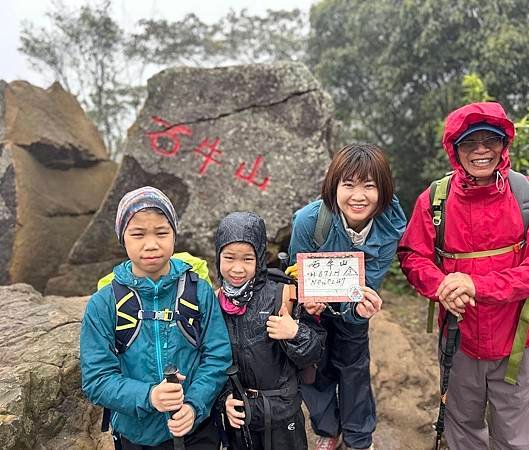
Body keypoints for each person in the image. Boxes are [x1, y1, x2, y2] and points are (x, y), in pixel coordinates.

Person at [397, 102, 529, 449]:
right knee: (462, 431)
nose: (480, 151)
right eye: (468, 142)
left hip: (520, 339)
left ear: (503, 145)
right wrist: (441, 284)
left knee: (517, 440)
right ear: (454, 149)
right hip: (460, 341)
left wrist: (476, 284)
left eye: (489, 140)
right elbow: (413, 255)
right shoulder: (434, 201)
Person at [80, 186, 232, 449]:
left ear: (174, 234)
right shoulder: (103, 303)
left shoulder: (199, 291)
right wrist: (149, 396)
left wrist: (194, 405)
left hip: (197, 431)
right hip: (135, 436)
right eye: (137, 234)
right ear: (122, 238)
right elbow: (96, 379)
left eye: (161, 232)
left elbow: (218, 356)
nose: (151, 244)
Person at [288, 143, 407, 450]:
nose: (358, 196)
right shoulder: (309, 221)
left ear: (383, 190)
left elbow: (372, 281)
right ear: (334, 186)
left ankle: (358, 437)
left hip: (355, 311)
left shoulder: (389, 227)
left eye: (369, 186)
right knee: (315, 370)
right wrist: (305, 301)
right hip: (315, 311)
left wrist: (361, 310)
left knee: (353, 370)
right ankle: (328, 429)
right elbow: (295, 270)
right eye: (349, 184)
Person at [215, 211, 326, 450]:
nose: (237, 268)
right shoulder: (214, 303)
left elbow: (315, 354)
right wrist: (223, 400)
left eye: (247, 259)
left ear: (261, 258)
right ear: (218, 257)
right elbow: (209, 361)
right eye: (229, 258)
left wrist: (296, 333)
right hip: (239, 414)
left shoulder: (282, 295)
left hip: (283, 414)